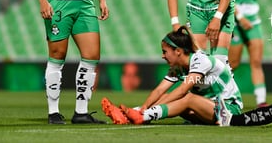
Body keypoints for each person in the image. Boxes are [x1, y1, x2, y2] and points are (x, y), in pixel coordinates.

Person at [101, 26, 243, 125]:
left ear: (178, 51)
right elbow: (159, 91)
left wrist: (145, 112)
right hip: (207, 109)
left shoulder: (200, 61)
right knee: (165, 98)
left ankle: (142, 117)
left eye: (165, 51)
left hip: (228, 110)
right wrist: (143, 106)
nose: (163, 56)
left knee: (188, 98)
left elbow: (181, 90)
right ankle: (131, 116)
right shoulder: (179, 67)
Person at [228, 0, 267, 107]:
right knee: (233, 63)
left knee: (256, 62)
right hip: (236, 23)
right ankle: (222, 94)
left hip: (253, 23)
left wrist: (247, 17)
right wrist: (239, 16)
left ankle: (261, 100)